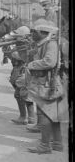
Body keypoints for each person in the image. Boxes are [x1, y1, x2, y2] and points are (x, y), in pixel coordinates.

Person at [26, 19, 67, 154]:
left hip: (48, 85)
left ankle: (45, 145)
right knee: (53, 114)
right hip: (49, 83)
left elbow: (50, 62)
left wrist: (32, 65)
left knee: (43, 114)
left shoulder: (50, 44)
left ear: (43, 32)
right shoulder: (46, 43)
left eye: (34, 32)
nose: (32, 34)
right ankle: (57, 143)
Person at [7, 26, 36, 125]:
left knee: (22, 95)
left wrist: (12, 52)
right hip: (19, 71)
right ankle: (28, 117)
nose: (16, 37)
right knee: (22, 95)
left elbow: (22, 57)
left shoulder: (27, 44)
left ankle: (26, 117)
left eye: (18, 36)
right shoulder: (20, 44)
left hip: (24, 72)